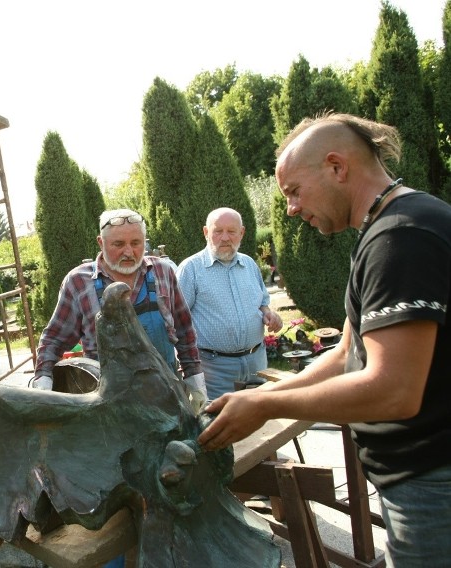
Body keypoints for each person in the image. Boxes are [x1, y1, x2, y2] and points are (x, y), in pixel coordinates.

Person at [198, 113, 451, 566]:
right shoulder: (386, 228)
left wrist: (268, 406)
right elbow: (344, 355)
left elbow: (395, 390)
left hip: (434, 484)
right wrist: (267, 393)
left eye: (294, 191)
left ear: (337, 167)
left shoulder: (401, 238)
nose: (291, 208)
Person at [30, 208, 206, 406]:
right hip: (111, 407)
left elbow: (184, 330)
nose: (129, 252)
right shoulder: (78, 282)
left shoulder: (162, 271)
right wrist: (43, 380)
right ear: (100, 242)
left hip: (168, 397)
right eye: (119, 244)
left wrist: (195, 380)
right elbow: (54, 339)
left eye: (136, 243)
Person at [176, 207, 283, 400]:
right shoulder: (190, 270)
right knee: (220, 423)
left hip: (257, 362)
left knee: (262, 421)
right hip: (215, 369)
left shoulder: (249, 264)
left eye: (231, 231)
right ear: (206, 232)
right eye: (218, 231)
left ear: (241, 233)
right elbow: (176, 321)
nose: (225, 238)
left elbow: (262, 303)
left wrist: (269, 313)